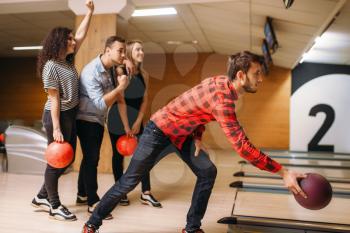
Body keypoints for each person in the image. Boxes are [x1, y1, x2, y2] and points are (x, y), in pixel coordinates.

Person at [82, 51, 307, 233]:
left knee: (208, 172)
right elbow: (242, 147)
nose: (260, 78)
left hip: (183, 136)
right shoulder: (224, 101)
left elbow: (197, 109)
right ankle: (92, 224)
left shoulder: (220, 81)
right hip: (157, 132)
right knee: (129, 181)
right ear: (240, 76)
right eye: (257, 74)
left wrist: (197, 136)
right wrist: (282, 171)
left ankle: (192, 228)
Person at [31, 0, 94, 221]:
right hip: (55, 116)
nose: (72, 41)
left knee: (67, 158)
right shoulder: (51, 66)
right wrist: (56, 128)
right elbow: (54, 100)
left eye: (71, 38)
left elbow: (81, 35)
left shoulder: (68, 61)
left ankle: (40, 196)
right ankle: (54, 205)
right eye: (67, 39)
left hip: (69, 115)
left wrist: (90, 12)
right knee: (56, 159)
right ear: (57, 42)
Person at [75, 36, 131, 220]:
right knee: (92, 159)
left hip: (97, 120)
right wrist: (120, 88)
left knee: (89, 158)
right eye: (120, 50)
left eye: (124, 51)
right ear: (108, 50)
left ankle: (82, 194)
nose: (123, 54)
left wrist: (126, 127)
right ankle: (93, 202)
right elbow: (100, 104)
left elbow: (119, 100)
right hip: (86, 119)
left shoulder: (111, 70)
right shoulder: (92, 71)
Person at [107, 40, 161, 208]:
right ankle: (120, 192)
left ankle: (146, 193)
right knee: (118, 156)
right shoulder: (121, 70)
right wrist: (126, 126)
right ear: (129, 51)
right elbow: (120, 98)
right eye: (138, 49)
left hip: (136, 120)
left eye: (142, 49)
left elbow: (145, 100)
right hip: (118, 118)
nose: (141, 52)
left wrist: (138, 121)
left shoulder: (144, 74)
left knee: (144, 155)